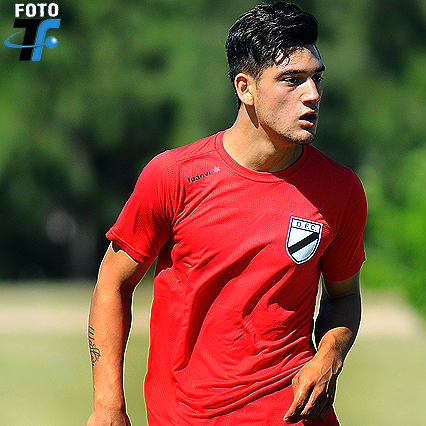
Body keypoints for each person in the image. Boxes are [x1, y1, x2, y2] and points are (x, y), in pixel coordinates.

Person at [86, 2, 366, 425]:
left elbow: (344, 296)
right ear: (245, 88)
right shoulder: (174, 176)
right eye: (292, 79)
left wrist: (330, 353)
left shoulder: (340, 189)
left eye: (316, 78)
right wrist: (108, 405)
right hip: (188, 416)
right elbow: (112, 284)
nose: (312, 94)